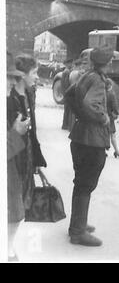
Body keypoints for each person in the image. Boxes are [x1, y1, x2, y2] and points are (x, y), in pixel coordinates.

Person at [65, 46, 113, 246]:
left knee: (81, 184)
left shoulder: (86, 76)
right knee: (86, 185)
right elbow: (89, 104)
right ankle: (78, 232)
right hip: (92, 141)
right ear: (106, 63)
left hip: (80, 137)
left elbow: (68, 96)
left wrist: (81, 117)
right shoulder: (98, 80)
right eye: (110, 60)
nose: (111, 63)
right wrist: (102, 118)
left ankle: (77, 225)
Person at [7, 53, 47, 260]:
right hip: (13, 156)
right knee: (14, 208)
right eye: (34, 72)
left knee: (22, 201)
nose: (37, 76)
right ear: (21, 75)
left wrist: (36, 160)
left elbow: (32, 130)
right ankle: (7, 250)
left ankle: (9, 245)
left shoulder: (29, 93)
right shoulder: (9, 98)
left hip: (26, 152)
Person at [7, 52, 31, 262]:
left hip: (15, 162)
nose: (11, 82)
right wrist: (16, 133)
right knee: (14, 213)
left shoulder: (11, 97)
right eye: (7, 77)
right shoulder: (9, 100)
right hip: (9, 164)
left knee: (15, 212)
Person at [106, 78, 119, 158]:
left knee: (104, 134)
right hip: (109, 117)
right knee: (112, 135)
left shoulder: (102, 93)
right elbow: (115, 107)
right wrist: (118, 113)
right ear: (110, 85)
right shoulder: (111, 94)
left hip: (102, 116)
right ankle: (117, 151)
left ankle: (103, 151)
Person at [61, 58, 74, 131]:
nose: (72, 65)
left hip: (65, 93)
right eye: (70, 63)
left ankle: (65, 125)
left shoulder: (66, 71)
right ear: (67, 64)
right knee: (67, 110)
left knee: (67, 110)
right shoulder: (67, 72)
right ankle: (66, 125)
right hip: (67, 93)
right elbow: (66, 84)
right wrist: (67, 93)